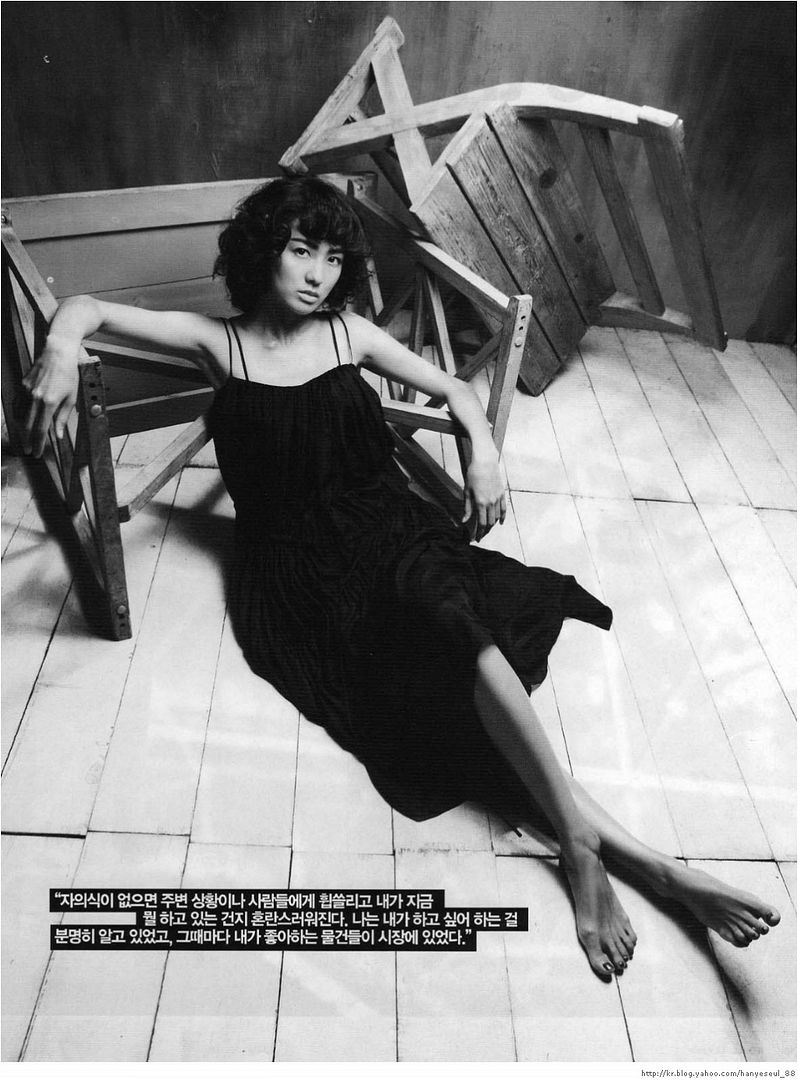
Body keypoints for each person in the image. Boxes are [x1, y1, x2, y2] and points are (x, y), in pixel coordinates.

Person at [20, 175, 780, 979]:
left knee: (451, 619)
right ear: (263, 253)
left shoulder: (347, 333)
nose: (317, 274)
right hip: (299, 571)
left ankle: (590, 849)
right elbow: (86, 308)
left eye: (332, 258)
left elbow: (453, 388)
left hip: (388, 523)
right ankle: (646, 862)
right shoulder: (220, 344)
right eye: (300, 251)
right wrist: (62, 348)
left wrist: (482, 452)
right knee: (436, 705)